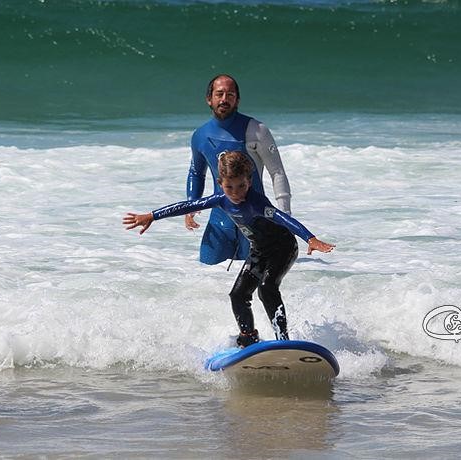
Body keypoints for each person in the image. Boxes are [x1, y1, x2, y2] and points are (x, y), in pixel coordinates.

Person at [123, 151, 334, 347]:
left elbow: (283, 218)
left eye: (241, 186)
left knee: (267, 288)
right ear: (220, 184)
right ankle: (249, 337)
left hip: (283, 247)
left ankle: (283, 340)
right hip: (259, 250)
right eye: (229, 187)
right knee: (238, 295)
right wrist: (152, 215)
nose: (236, 193)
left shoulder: (256, 203)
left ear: (249, 182)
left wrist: (310, 238)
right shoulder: (221, 200)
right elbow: (187, 206)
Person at [186, 74, 292, 266]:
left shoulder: (257, 130)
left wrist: (284, 215)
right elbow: (196, 172)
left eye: (230, 94)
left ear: (238, 100)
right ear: (209, 99)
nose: (224, 99)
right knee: (205, 275)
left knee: (254, 283)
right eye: (219, 94)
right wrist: (190, 207)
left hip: (256, 222)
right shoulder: (200, 135)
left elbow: (277, 172)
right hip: (219, 223)